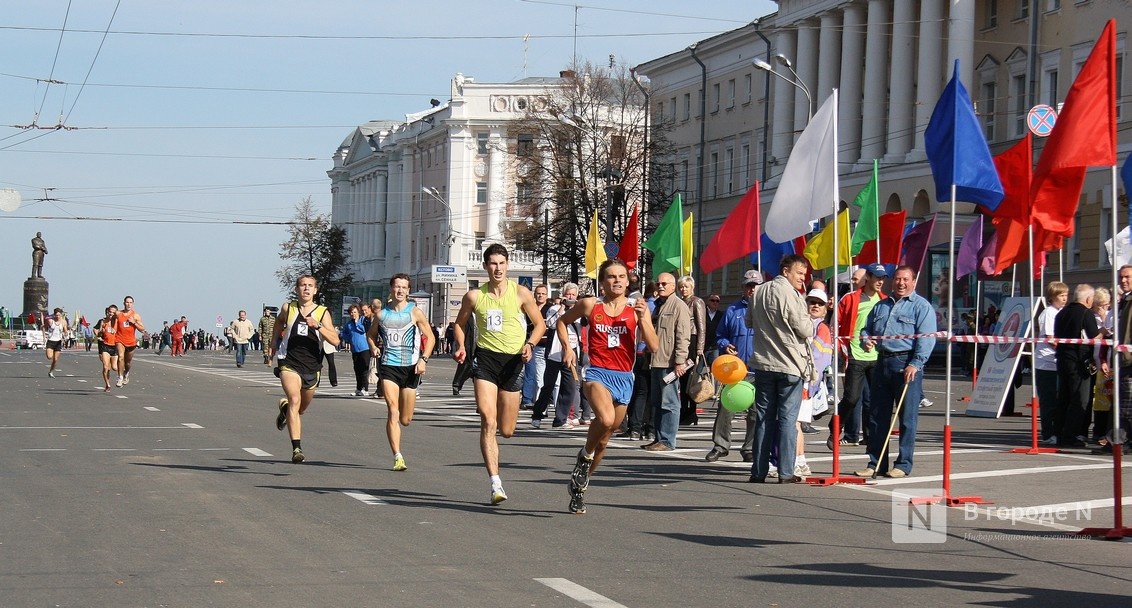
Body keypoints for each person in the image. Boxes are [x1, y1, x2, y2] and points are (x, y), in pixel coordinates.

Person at [559, 259, 658, 514]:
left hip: (624, 377)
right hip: (597, 373)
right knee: (604, 418)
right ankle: (584, 456)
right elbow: (562, 321)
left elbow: (655, 347)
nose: (617, 281)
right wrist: (568, 348)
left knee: (604, 440)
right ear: (602, 282)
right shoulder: (591, 305)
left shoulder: (638, 308)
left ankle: (580, 486)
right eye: (611, 277)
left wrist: (643, 318)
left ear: (628, 281)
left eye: (621, 277)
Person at [451, 244, 546, 505]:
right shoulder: (474, 296)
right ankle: (495, 483)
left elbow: (540, 324)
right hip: (486, 361)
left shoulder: (521, 293)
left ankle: (497, 466)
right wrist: (460, 345)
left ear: (508, 265)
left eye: (502, 263)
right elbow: (459, 324)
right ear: (485, 266)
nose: (498, 268)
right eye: (493, 263)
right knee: (488, 420)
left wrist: (530, 344)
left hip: (513, 362)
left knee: (507, 430)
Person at [855, 266, 937, 478]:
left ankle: (903, 464)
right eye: (898, 279)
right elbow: (866, 329)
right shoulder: (881, 306)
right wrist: (866, 339)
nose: (901, 283)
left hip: (906, 364)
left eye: (906, 279)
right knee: (877, 417)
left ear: (913, 282)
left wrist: (916, 363)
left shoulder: (921, 306)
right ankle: (875, 463)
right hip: (882, 363)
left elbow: (926, 338)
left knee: (907, 419)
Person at [748, 255, 813, 483]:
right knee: (787, 420)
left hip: (764, 363)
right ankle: (786, 472)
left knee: (764, 418)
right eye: (799, 273)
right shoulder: (791, 294)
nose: (802, 279)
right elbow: (805, 329)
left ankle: (758, 471)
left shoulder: (759, 292)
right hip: (790, 364)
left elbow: (749, 321)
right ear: (786, 271)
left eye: (803, 275)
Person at [270, 275, 339, 464]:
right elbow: (278, 323)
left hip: (312, 365)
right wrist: (273, 343)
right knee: (294, 399)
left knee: (299, 409)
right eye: (302, 285)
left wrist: (317, 326)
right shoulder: (288, 308)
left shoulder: (322, 312)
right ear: (296, 289)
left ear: (315, 290)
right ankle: (297, 448)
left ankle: (285, 411)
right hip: (288, 361)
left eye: (310, 286)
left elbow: (335, 340)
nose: (306, 289)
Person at [369, 274, 435, 471]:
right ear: (391, 288)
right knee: (392, 409)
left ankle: (400, 435)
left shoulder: (414, 313)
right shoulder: (381, 315)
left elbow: (430, 338)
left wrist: (423, 359)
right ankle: (397, 456)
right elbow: (371, 335)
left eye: (404, 287)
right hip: (389, 366)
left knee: (405, 419)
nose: (400, 290)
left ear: (408, 290)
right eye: (397, 287)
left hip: (411, 368)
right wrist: (373, 346)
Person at [705, 269, 762, 463]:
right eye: (749, 286)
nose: (752, 289)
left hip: (758, 370)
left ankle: (750, 449)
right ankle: (720, 446)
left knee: (755, 412)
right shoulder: (733, 310)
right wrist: (724, 345)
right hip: (735, 371)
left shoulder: (766, 309)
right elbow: (721, 335)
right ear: (743, 288)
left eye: (755, 286)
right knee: (725, 409)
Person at [829, 264, 887, 450]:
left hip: (876, 356)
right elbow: (835, 324)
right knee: (852, 398)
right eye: (877, 277)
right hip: (855, 354)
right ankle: (835, 428)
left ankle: (870, 437)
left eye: (883, 278)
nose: (880, 282)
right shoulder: (851, 298)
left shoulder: (885, 300)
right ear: (868, 278)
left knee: (873, 400)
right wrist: (837, 346)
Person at [642, 272, 692, 452]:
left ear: (673, 287)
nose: (660, 286)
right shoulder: (658, 306)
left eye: (664, 283)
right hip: (656, 360)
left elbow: (683, 336)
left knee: (669, 402)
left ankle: (667, 440)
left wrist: (680, 361)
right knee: (657, 401)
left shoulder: (678, 305)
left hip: (669, 363)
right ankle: (659, 437)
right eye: (658, 283)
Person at [1053, 284, 1099, 448]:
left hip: (1062, 359)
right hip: (1079, 362)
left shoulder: (1061, 313)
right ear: (1088, 299)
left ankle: (1058, 433)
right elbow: (1095, 336)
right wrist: (1107, 331)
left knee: (1064, 398)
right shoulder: (1086, 313)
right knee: (1081, 399)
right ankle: (1071, 436)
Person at [530, 282, 580, 429]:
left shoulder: (578, 311)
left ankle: (561, 418)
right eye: (568, 294)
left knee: (570, 387)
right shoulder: (554, 309)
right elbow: (551, 324)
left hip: (571, 353)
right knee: (548, 385)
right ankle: (537, 414)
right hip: (554, 353)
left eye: (573, 295)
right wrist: (562, 309)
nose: (570, 297)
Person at [796, 288, 834, 477]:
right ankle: (801, 461)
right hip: (799, 379)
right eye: (812, 302)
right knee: (795, 423)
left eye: (820, 304)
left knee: (794, 423)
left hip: (805, 381)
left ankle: (798, 461)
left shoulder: (823, 329)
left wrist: (808, 383)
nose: (815, 306)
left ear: (825, 308)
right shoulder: (803, 323)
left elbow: (820, 359)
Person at [1035, 282, 1068, 443]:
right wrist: (1064, 349)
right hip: (1046, 362)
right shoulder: (1049, 313)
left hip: (1055, 361)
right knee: (1048, 399)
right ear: (1052, 298)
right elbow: (1050, 338)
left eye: (1065, 295)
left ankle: (1056, 430)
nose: (1064, 299)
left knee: (1057, 399)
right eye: (1061, 296)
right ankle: (1048, 433)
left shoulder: (1059, 312)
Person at [677, 275, 707, 426]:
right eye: (681, 286)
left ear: (692, 287)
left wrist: (699, 349)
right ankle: (684, 411)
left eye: (686, 286)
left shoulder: (697, 302)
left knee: (691, 379)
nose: (683, 289)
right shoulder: (681, 302)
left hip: (693, 342)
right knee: (682, 380)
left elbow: (701, 327)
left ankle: (691, 412)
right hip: (683, 340)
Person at [521, 284, 552, 410]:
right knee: (531, 372)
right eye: (538, 293)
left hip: (547, 346)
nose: (540, 296)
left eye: (543, 293)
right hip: (531, 345)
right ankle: (527, 399)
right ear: (534, 294)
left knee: (545, 375)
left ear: (547, 295)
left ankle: (544, 398)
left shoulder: (550, 309)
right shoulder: (529, 308)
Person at [341, 303, 372, 396]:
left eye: (354, 312)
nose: (353, 314)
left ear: (358, 312)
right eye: (351, 312)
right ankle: (358, 388)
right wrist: (348, 337)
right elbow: (343, 333)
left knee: (364, 369)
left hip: (365, 348)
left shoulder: (363, 320)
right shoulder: (349, 324)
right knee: (357, 369)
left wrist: (357, 323)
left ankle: (365, 389)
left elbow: (364, 329)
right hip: (355, 349)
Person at [115, 296, 146, 387]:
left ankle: (126, 373)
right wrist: (113, 328)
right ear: (124, 303)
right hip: (120, 339)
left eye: (130, 302)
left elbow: (142, 329)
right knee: (120, 357)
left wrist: (134, 322)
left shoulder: (135, 315)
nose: (128, 304)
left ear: (133, 304)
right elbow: (112, 320)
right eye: (127, 302)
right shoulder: (118, 313)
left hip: (131, 342)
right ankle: (120, 377)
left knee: (127, 363)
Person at [94, 305, 119, 392]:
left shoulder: (118, 322)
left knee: (114, 368)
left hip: (115, 347)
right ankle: (107, 384)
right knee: (105, 367)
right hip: (105, 346)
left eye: (113, 312)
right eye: (110, 312)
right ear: (107, 312)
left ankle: (122, 374)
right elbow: (99, 333)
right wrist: (101, 332)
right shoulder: (103, 322)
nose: (111, 314)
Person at [44, 307, 69, 378]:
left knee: (55, 359)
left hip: (58, 342)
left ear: (61, 315)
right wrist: (44, 336)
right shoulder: (50, 321)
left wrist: (66, 335)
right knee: (49, 357)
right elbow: (43, 327)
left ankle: (51, 371)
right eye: (56, 315)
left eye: (59, 315)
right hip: (51, 341)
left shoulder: (63, 322)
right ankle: (51, 370)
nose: (58, 316)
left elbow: (65, 331)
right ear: (54, 315)